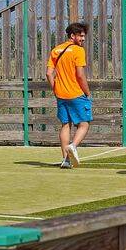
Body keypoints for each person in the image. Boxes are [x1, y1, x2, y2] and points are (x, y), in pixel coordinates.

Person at [47, 22, 91, 168]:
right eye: (81, 36)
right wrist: (87, 92)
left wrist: (56, 89)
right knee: (84, 124)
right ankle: (73, 146)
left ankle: (65, 160)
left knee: (66, 125)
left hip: (61, 95)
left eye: (84, 36)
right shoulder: (78, 51)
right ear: (72, 36)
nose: (83, 39)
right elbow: (80, 74)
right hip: (76, 93)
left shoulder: (56, 50)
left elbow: (48, 73)